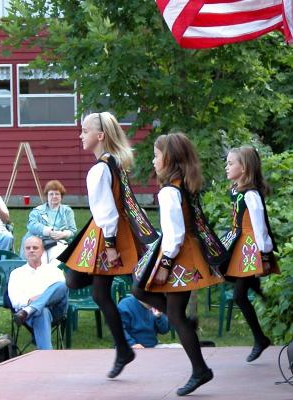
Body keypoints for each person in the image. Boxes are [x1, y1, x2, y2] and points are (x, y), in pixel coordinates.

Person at [62, 112, 158, 379]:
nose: (80, 135)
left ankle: (125, 348)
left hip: (107, 234)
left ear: (99, 136)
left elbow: (107, 211)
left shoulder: (101, 169)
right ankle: (130, 345)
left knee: (104, 291)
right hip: (107, 232)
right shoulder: (113, 163)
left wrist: (112, 245)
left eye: (84, 130)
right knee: (87, 284)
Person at [133, 133, 226, 397]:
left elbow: (174, 235)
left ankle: (200, 369)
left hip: (178, 256)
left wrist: (164, 265)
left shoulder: (169, 192)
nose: (153, 160)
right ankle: (191, 340)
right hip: (184, 253)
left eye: (156, 155)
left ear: (169, 159)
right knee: (141, 291)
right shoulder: (181, 186)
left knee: (166, 308)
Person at [222, 146, 280, 362]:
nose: (226, 167)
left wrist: (264, 257)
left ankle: (260, 338)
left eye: (230, 163)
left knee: (238, 295)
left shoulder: (251, 195)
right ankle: (267, 298)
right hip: (239, 246)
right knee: (227, 275)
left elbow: (260, 227)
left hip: (250, 249)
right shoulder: (238, 191)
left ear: (244, 167)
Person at [8, 236, 68, 350]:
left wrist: (39, 300)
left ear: (42, 251)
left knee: (61, 285)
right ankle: (46, 356)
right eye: (28, 248)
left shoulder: (54, 271)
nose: (31, 250)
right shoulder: (16, 274)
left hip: (54, 311)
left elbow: (61, 292)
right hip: (29, 314)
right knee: (41, 311)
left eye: (35, 247)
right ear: (24, 251)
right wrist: (29, 301)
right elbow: (15, 300)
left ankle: (30, 309)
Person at [20, 180, 77, 264]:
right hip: (38, 242)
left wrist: (63, 234)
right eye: (51, 194)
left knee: (55, 261)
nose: (54, 196)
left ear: (61, 196)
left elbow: (73, 230)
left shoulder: (67, 211)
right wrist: (48, 231)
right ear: (47, 196)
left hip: (58, 242)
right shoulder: (37, 211)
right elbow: (31, 225)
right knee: (41, 261)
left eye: (57, 194)